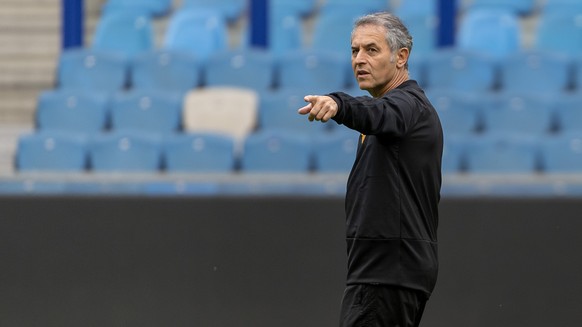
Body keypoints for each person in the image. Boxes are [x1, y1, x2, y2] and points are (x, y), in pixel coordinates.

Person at [298, 12, 443, 327]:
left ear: (401, 57)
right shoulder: (396, 110)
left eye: (371, 50)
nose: (359, 59)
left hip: (385, 277)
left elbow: (378, 114)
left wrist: (339, 104)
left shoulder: (408, 106)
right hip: (383, 274)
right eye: (354, 50)